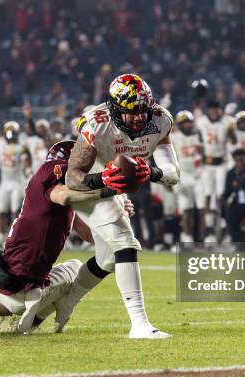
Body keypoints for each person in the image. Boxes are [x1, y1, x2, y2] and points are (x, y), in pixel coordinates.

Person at [0, 141, 133, 334]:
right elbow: (65, 196)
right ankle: (33, 314)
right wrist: (108, 190)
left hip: (8, 281)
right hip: (27, 277)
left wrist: (117, 212)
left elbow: (89, 235)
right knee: (75, 270)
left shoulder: (58, 192)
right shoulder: (52, 177)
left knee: (11, 301)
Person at [64, 73, 179, 339]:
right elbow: (73, 178)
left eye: (144, 110)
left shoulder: (160, 120)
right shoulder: (97, 124)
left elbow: (172, 174)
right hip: (90, 187)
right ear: (115, 110)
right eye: (132, 112)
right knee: (125, 242)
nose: (140, 117)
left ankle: (63, 303)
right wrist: (103, 178)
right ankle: (139, 324)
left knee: (107, 259)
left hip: (113, 187)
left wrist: (150, 172)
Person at [195, 100, 231, 243]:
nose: (214, 112)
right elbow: (198, 144)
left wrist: (231, 130)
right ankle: (209, 231)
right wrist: (203, 156)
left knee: (222, 195)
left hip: (221, 163)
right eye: (212, 109)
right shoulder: (202, 122)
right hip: (208, 165)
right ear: (208, 110)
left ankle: (223, 226)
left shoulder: (226, 122)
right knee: (208, 195)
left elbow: (233, 142)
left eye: (216, 109)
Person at [0, 121, 31, 248]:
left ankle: (15, 237)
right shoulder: (0, 144)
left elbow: (25, 160)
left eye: (13, 132)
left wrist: (28, 170)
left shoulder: (21, 145)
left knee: (15, 211)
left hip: (17, 182)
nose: (11, 134)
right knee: (1, 211)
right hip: (4, 182)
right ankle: (0, 237)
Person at [170, 110, 205, 242]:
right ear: (179, 124)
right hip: (184, 175)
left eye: (189, 122)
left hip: (199, 174)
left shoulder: (199, 135)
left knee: (202, 208)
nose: (187, 126)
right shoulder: (174, 137)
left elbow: (206, 153)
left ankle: (205, 238)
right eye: (184, 123)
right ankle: (187, 238)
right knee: (186, 209)